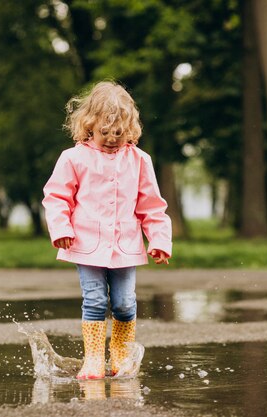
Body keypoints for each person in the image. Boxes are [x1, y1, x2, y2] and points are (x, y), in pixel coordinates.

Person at [42, 81, 172, 380]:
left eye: (119, 134)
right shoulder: (73, 158)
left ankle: (121, 355)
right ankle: (93, 359)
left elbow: (152, 205)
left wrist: (160, 240)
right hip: (85, 244)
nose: (113, 139)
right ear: (90, 125)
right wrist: (61, 228)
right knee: (96, 300)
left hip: (125, 246)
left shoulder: (140, 161)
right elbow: (56, 197)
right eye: (105, 133)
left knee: (125, 302)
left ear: (130, 129)